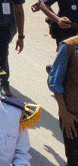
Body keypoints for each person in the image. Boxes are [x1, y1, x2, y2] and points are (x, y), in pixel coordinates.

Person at [48, 22, 78, 166]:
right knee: (74, 159)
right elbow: (55, 82)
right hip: (72, 117)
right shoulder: (69, 46)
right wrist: (64, 113)